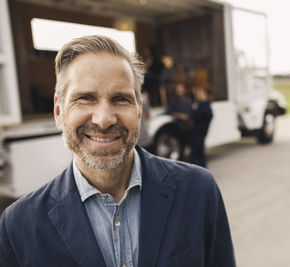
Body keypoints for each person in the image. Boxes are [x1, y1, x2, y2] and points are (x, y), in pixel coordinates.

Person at [0, 35, 235, 267]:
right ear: (59, 112)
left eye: (121, 99)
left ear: (139, 111)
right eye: (85, 98)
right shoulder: (18, 226)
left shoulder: (199, 190)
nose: (103, 120)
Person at [190, 87, 213, 168]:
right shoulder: (203, 104)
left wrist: (194, 111)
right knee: (199, 150)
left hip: (200, 130)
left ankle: (198, 168)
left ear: (205, 94)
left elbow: (205, 115)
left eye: (200, 93)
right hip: (200, 129)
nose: (199, 95)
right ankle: (202, 167)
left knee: (196, 151)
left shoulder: (204, 104)